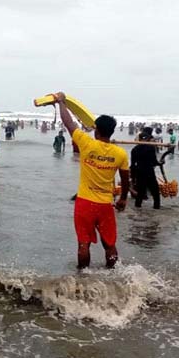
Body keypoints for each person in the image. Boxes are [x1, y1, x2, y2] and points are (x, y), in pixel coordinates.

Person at [56, 93, 130, 269]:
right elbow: (125, 180)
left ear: (96, 130)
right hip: (105, 204)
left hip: (84, 202)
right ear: (112, 131)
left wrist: (61, 102)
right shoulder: (120, 153)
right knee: (110, 244)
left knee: (83, 244)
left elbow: (69, 123)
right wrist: (123, 199)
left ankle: (83, 278)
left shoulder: (86, 143)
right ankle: (112, 277)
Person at [131, 128, 161, 209]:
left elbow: (133, 165)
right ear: (148, 139)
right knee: (155, 191)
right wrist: (160, 163)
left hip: (139, 172)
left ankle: (138, 208)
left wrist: (133, 177)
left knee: (140, 192)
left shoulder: (134, 149)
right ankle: (156, 207)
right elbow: (154, 161)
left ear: (139, 139)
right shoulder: (150, 148)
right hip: (149, 172)